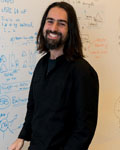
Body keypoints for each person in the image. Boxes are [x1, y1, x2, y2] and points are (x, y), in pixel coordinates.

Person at [9, 2, 99, 150]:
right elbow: (33, 107)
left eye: (61, 24)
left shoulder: (83, 72)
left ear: (71, 30)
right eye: (50, 21)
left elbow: (84, 130)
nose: (53, 28)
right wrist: (22, 136)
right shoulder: (41, 64)